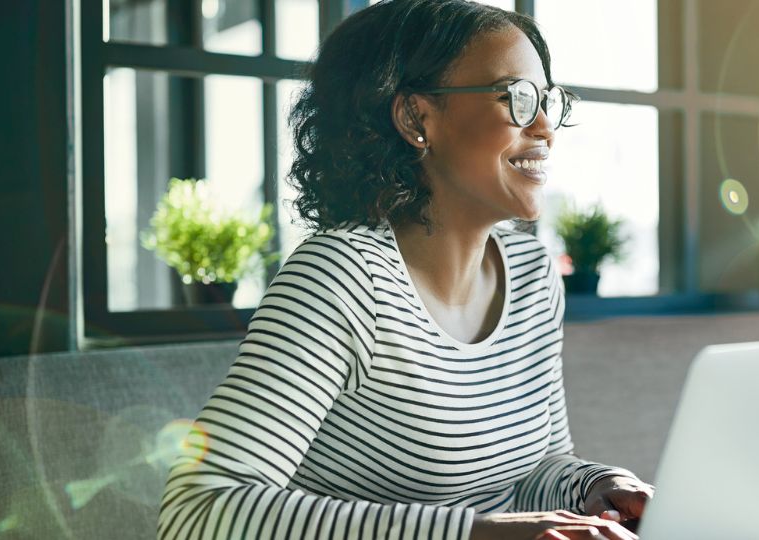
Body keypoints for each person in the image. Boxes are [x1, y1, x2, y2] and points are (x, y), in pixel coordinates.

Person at [156, 1, 654, 539]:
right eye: (516, 98)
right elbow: (198, 510)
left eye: (548, 101)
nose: (544, 128)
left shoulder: (532, 275)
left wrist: (596, 486)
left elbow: (534, 469)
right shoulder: (341, 278)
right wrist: (481, 535)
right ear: (416, 118)